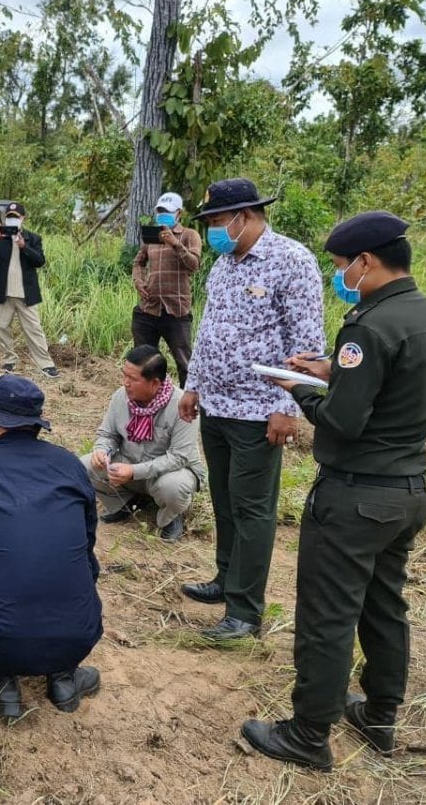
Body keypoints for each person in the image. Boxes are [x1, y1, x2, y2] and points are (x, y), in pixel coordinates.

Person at [240, 212, 426, 772]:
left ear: (366, 262)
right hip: (408, 491)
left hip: (355, 496)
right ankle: (380, 716)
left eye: (342, 266)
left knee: (327, 616)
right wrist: (331, 369)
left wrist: (300, 389)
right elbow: (393, 387)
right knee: (385, 606)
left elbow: (343, 422)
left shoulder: (369, 326)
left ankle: (309, 734)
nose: (341, 276)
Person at [178, 178, 325, 641]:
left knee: (253, 508)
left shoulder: (292, 261)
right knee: (224, 500)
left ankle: (245, 611)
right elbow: (207, 330)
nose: (214, 232)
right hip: (216, 405)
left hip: (260, 410)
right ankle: (226, 578)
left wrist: (288, 405)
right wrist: (193, 384)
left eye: (219, 222)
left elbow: (308, 346)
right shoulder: (224, 264)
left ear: (246, 215)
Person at [0, 375, 102, 720]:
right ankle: (64, 675)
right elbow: (87, 542)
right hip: (81, 634)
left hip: (0, 638)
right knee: (81, 562)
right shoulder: (69, 463)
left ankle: (1, 682)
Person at [81, 345, 205, 542]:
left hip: (167, 472)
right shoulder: (121, 396)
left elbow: (178, 458)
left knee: (174, 487)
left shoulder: (183, 406)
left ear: (155, 383)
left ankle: (170, 518)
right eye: (124, 376)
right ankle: (125, 503)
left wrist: (133, 471)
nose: (126, 383)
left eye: (133, 379)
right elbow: (108, 434)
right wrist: (101, 451)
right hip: (130, 464)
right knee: (84, 466)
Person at [132, 192, 202, 386]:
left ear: (178, 213)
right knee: (143, 360)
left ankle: (187, 403)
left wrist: (175, 244)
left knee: (184, 362)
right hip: (149, 307)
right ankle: (148, 401)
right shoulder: (151, 237)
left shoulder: (189, 235)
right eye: (160, 211)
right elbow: (138, 262)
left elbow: (194, 265)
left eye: (167, 212)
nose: (163, 215)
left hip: (176, 309)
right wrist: (139, 282)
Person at [0, 203, 59, 379]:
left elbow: (40, 261)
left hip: (26, 294)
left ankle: (46, 364)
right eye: (9, 216)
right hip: (3, 293)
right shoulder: (0, 238)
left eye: (16, 217)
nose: (12, 219)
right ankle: (9, 360)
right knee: (2, 327)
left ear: (23, 219)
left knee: (34, 329)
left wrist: (24, 246)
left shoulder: (33, 238)